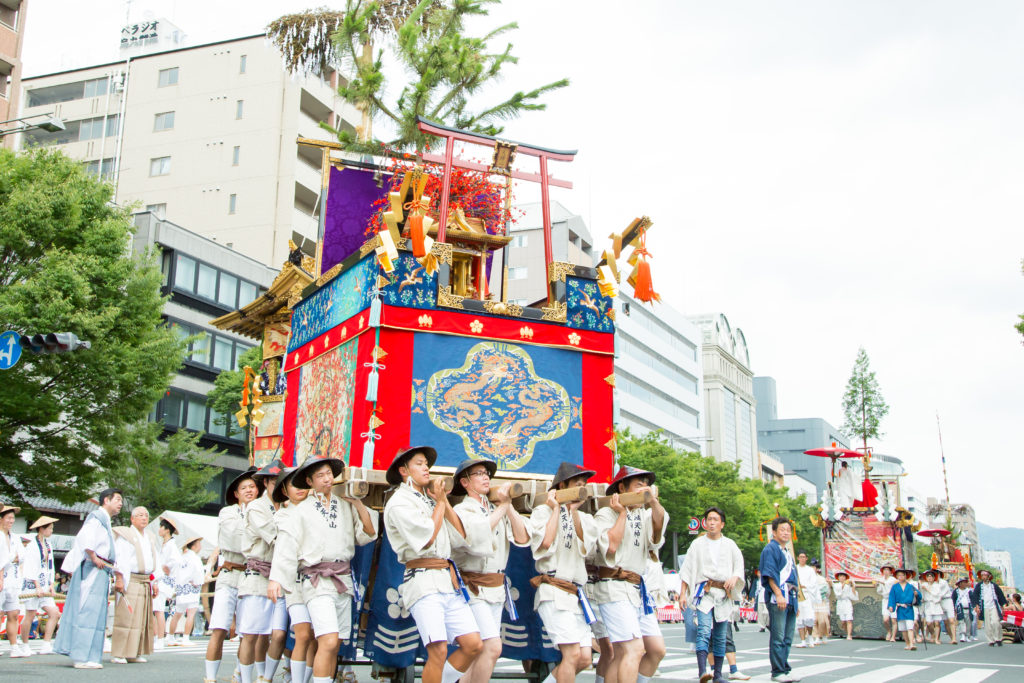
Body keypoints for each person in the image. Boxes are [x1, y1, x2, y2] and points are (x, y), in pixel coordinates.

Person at [271, 455, 378, 683]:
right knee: (327, 639)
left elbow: (367, 534)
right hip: (316, 580)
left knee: (335, 643)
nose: (327, 479)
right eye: (320, 475)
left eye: (329, 473)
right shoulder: (301, 510)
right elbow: (286, 545)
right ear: (309, 481)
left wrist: (359, 504)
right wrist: (276, 579)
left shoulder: (344, 505)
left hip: (342, 579)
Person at [383, 446, 482, 683]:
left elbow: (461, 535)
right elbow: (425, 538)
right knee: (437, 651)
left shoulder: (428, 499)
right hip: (423, 580)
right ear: (404, 471)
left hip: (446, 581)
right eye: (419, 463)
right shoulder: (399, 502)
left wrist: (442, 502)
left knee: (473, 645)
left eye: (426, 463)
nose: (426, 467)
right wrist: (439, 504)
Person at [449, 458, 530, 683]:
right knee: (492, 647)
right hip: (472, 588)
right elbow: (476, 538)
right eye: (479, 473)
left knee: (483, 652)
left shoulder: (496, 508)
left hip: (495, 588)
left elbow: (522, 538)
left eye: (487, 473)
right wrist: (503, 506)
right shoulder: (462, 509)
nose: (486, 477)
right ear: (465, 482)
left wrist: (508, 505)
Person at [593, 466, 668, 683]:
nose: (643, 488)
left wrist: (652, 501)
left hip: (637, 590)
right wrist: (622, 513)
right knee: (632, 649)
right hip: (613, 587)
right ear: (622, 488)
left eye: (646, 484)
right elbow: (611, 547)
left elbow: (656, 536)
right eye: (638, 484)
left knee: (656, 649)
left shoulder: (644, 515)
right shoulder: (606, 513)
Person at [528, 462, 598, 683]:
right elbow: (544, 543)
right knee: (572, 654)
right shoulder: (543, 511)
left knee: (585, 658)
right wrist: (557, 508)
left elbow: (589, 547)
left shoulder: (584, 518)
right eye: (576, 484)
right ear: (562, 486)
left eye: (584, 484)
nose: (581, 488)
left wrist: (573, 511)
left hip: (575, 594)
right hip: (553, 591)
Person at [54, 487, 123, 669]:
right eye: (117, 500)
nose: (120, 504)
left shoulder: (105, 520)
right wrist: (93, 557)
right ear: (106, 500)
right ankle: (80, 656)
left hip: (102, 569)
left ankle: (90, 656)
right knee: (87, 611)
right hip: (93, 568)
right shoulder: (96, 517)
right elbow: (85, 539)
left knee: (97, 614)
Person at [205, 467, 262, 682]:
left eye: (252, 487)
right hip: (229, 573)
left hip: (251, 574)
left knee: (247, 632)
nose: (249, 490)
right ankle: (210, 677)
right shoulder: (228, 512)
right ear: (236, 494)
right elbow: (235, 541)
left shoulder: (261, 511)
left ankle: (239, 674)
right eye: (244, 488)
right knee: (219, 627)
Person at [679, 506, 744, 683]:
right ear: (705, 523)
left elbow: (739, 565)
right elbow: (687, 570)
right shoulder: (697, 544)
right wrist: (683, 593)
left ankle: (717, 675)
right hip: (704, 593)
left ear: (722, 524)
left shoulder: (730, 544)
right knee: (704, 631)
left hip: (723, 593)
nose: (712, 522)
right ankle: (702, 671)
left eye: (716, 519)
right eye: (709, 519)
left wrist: (734, 577)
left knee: (721, 636)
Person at [237, 460, 287, 683]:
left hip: (282, 576)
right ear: (265, 482)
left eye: (282, 482)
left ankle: (265, 678)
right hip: (259, 574)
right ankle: (245, 678)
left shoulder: (287, 506)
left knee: (278, 634)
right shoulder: (256, 507)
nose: (278, 486)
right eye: (274, 482)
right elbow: (276, 536)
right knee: (251, 634)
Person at [269, 467, 315, 683]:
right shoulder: (282, 516)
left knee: (316, 637)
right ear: (285, 490)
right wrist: (276, 578)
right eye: (293, 485)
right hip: (294, 580)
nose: (299, 489)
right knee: (303, 633)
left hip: (317, 580)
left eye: (302, 484)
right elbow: (283, 551)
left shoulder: (316, 510)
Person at [111, 506, 159, 664]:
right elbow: (120, 558)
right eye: (140, 515)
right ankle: (119, 653)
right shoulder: (126, 535)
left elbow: (154, 560)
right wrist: (119, 578)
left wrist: (155, 581)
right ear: (132, 519)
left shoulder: (150, 536)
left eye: (146, 515)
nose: (144, 518)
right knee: (126, 617)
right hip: (130, 579)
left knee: (141, 619)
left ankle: (134, 652)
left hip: (145, 580)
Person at [759, 516, 800, 683]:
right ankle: (777, 671)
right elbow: (769, 574)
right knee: (778, 636)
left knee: (788, 636)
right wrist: (778, 593)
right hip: (779, 596)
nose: (786, 533)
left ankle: (784, 666)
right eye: (782, 530)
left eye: (788, 530)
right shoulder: (770, 549)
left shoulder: (786, 551)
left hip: (791, 596)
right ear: (774, 532)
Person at [19, 515, 61, 655]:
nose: (51, 531)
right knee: (30, 615)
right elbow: (31, 566)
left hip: (45, 583)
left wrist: (51, 584)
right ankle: (24, 643)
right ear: (42, 529)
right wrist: (37, 585)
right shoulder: (32, 545)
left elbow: (50, 566)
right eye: (49, 528)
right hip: (33, 584)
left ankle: (46, 644)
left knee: (54, 613)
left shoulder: (48, 545)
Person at [153, 514, 181, 649]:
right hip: (161, 579)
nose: (159, 530)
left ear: (166, 529)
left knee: (158, 610)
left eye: (161, 527)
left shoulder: (171, 545)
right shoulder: (165, 544)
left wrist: (167, 569)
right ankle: (156, 636)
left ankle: (160, 638)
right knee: (156, 609)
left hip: (165, 580)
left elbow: (175, 562)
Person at [0, 504, 24, 657]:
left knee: (13, 613)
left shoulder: (15, 537)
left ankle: (14, 646)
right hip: (2, 577)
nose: (11, 521)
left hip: (13, 580)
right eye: (8, 518)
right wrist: (11, 558)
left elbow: (21, 556)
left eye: (13, 518)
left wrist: (13, 558)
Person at [172, 536, 204, 644]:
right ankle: (186, 637)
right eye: (199, 544)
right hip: (192, 587)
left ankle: (170, 636)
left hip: (181, 587)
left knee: (177, 613)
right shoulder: (195, 558)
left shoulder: (182, 557)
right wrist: (198, 582)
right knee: (190, 614)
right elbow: (199, 573)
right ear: (195, 546)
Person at [971, 569, 1007, 647]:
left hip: (993, 605)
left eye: (985, 575)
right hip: (984, 606)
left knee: (996, 622)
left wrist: (1002, 606)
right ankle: (991, 640)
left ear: (988, 576)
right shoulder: (979, 586)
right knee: (987, 624)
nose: (983, 577)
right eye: (982, 575)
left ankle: (998, 638)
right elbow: (975, 596)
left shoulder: (994, 586)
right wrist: (976, 606)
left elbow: (1000, 595)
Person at [887, 568, 920, 651]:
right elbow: (891, 597)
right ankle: (907, 643)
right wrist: (891, 606)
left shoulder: (911, 586)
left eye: (902, 575)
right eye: (899, 575)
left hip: (908, 608)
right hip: (900, 609)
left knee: (910, 627)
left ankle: (912, 643)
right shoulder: (895, 587)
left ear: (905, 576)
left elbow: (919, 595)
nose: (901, 577)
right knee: (903, 628)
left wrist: (917, 595)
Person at [793, 552, 816, 648]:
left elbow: (814, 583)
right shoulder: (795, 569)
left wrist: (805, 586)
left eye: (804, 557)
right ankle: (802, 640)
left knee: (809, 618)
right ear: (798, 558)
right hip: (797, 595)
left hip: (807, 595)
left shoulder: (810, 570)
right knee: (800, 619)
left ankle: (810, 637)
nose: (802, 558)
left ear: (806, 558)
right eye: (800, 557)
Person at [874, 565, 898, 641]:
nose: (886, 571)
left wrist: (882, 582)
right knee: (885, 619)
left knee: (894, 620)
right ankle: (889, 631)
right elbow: (879, 591)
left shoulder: (892, 579)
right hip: (885, 600)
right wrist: (877, 585)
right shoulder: (882, 579)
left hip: (893, 599)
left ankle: (893, 637)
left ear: (890, 572)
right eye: (885, 570)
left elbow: (889, 586)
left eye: (888, 570)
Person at [935, 569, 958, 645]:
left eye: (937, 574)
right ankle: (939, 638)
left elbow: (941, 593)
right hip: (938, 602)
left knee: (951, 620)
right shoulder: (932, 583)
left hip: (946, 600)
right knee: (944, 622)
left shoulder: (943, 582)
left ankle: (954, 638)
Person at [832, 571, 858, 640]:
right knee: (843, 621)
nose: (842, 578)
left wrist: (852, 585)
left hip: (847, 602)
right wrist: (843, 584)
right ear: (838, 578)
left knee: (849, 620)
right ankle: (847, 632)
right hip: (840, 603)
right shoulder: (836, 585)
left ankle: (849, 635)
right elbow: (838, 594)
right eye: (841, 576)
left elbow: (853, 593)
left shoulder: (848, 585)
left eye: (843, 576)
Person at [811, 564, 831, 644]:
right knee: (814, 620)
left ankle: (824, 635)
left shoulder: (821, 579)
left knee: (822, 620)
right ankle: (816, 636)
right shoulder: (807, 578)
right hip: (812, 601)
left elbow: (826, 591)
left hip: (822, 601)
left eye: (814, 568)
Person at [952, 577, 974, 642]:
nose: (965, 584)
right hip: (960, 608)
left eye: (965, 582)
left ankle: (967, 635)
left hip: (968, 608)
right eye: (963, 582)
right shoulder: (956, 591)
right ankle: (962, 635)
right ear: (960, 584)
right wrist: (953, 608)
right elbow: (953, 600)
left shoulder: (969, 591)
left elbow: (972, 599)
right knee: (961, 621)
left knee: (968, 622)